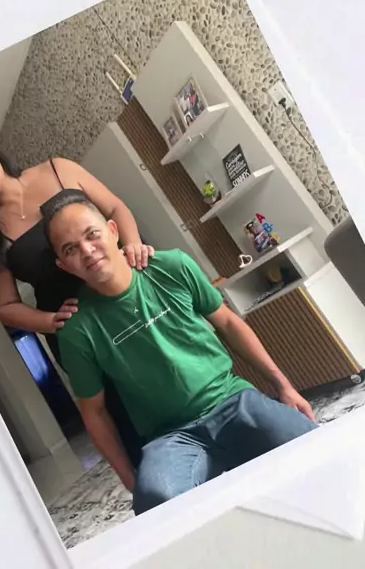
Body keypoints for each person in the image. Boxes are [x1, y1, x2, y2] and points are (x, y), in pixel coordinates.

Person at [42, 189, 318, 516]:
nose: (87, 251)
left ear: (113, 231)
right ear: (64, 265)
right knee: (156, 505)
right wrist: (131, 478)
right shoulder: (77, 330)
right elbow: (95, 412)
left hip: (232, 400)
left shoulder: (172, 266)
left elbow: (228, 323)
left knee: (311, 446)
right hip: (171, 436)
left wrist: (284, 387)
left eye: (92, 234)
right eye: (71, 249)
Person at [0, 133, 154, 466]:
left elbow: (114, 208)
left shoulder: (58, 169)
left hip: (125, 295)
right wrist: (50, 321)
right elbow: (3, 306)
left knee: (171, 372)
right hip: (81, 334)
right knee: (127, 418)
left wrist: (132, 243)